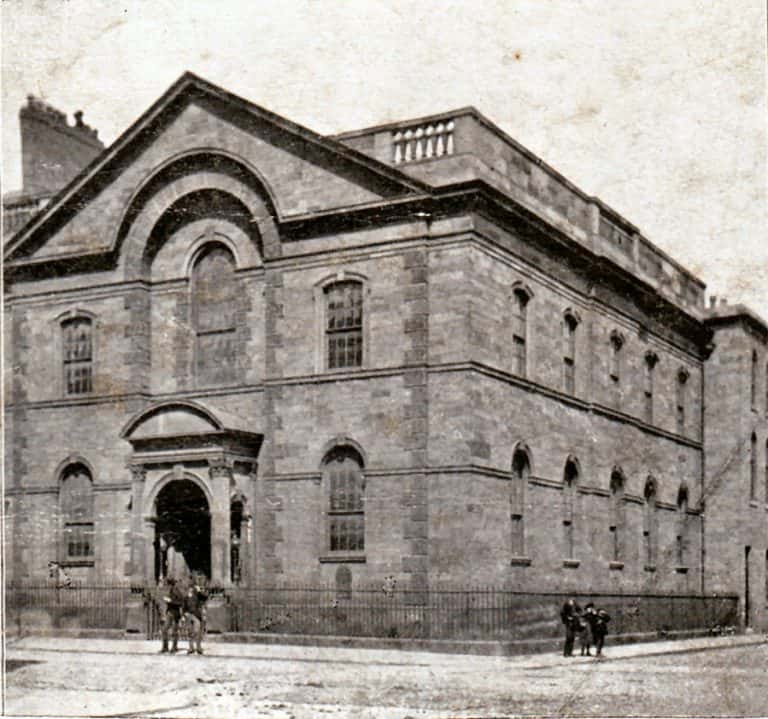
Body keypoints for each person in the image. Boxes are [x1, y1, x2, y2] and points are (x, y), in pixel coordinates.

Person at [182, 576, 209, 655]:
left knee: (197, 631)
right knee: (190, 632)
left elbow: (205, 597)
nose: (190, 589)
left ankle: (198, 647)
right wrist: (184, 614)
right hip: (188, 615)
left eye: (191, 587)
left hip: (196, 615)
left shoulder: (197, 594)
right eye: (189, 587)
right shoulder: (186, 595)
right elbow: (184, 605)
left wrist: (199, 591)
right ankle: (191, 648)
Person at [159, 576, 185, 654]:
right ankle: (165, 647)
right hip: (169, 612)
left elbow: (181, 602)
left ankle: (174, 647)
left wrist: (170, 601)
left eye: (168, 583)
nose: (167, 585)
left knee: (174, 631)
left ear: (171, 584)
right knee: (164, 629)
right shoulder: (171, 590)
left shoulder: (176, 591)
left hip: (175, 613)